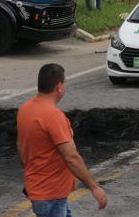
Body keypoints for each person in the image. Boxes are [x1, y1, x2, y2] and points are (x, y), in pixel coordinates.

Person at [17, 63, 108, 216]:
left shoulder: (25, 109)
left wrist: (32, 172)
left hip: (39, 191)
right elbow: (71, 157)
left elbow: (20, 145)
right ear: (59, 86)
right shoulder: (53, 116)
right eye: (64, 82)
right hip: (52, 196)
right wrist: (94, 187)